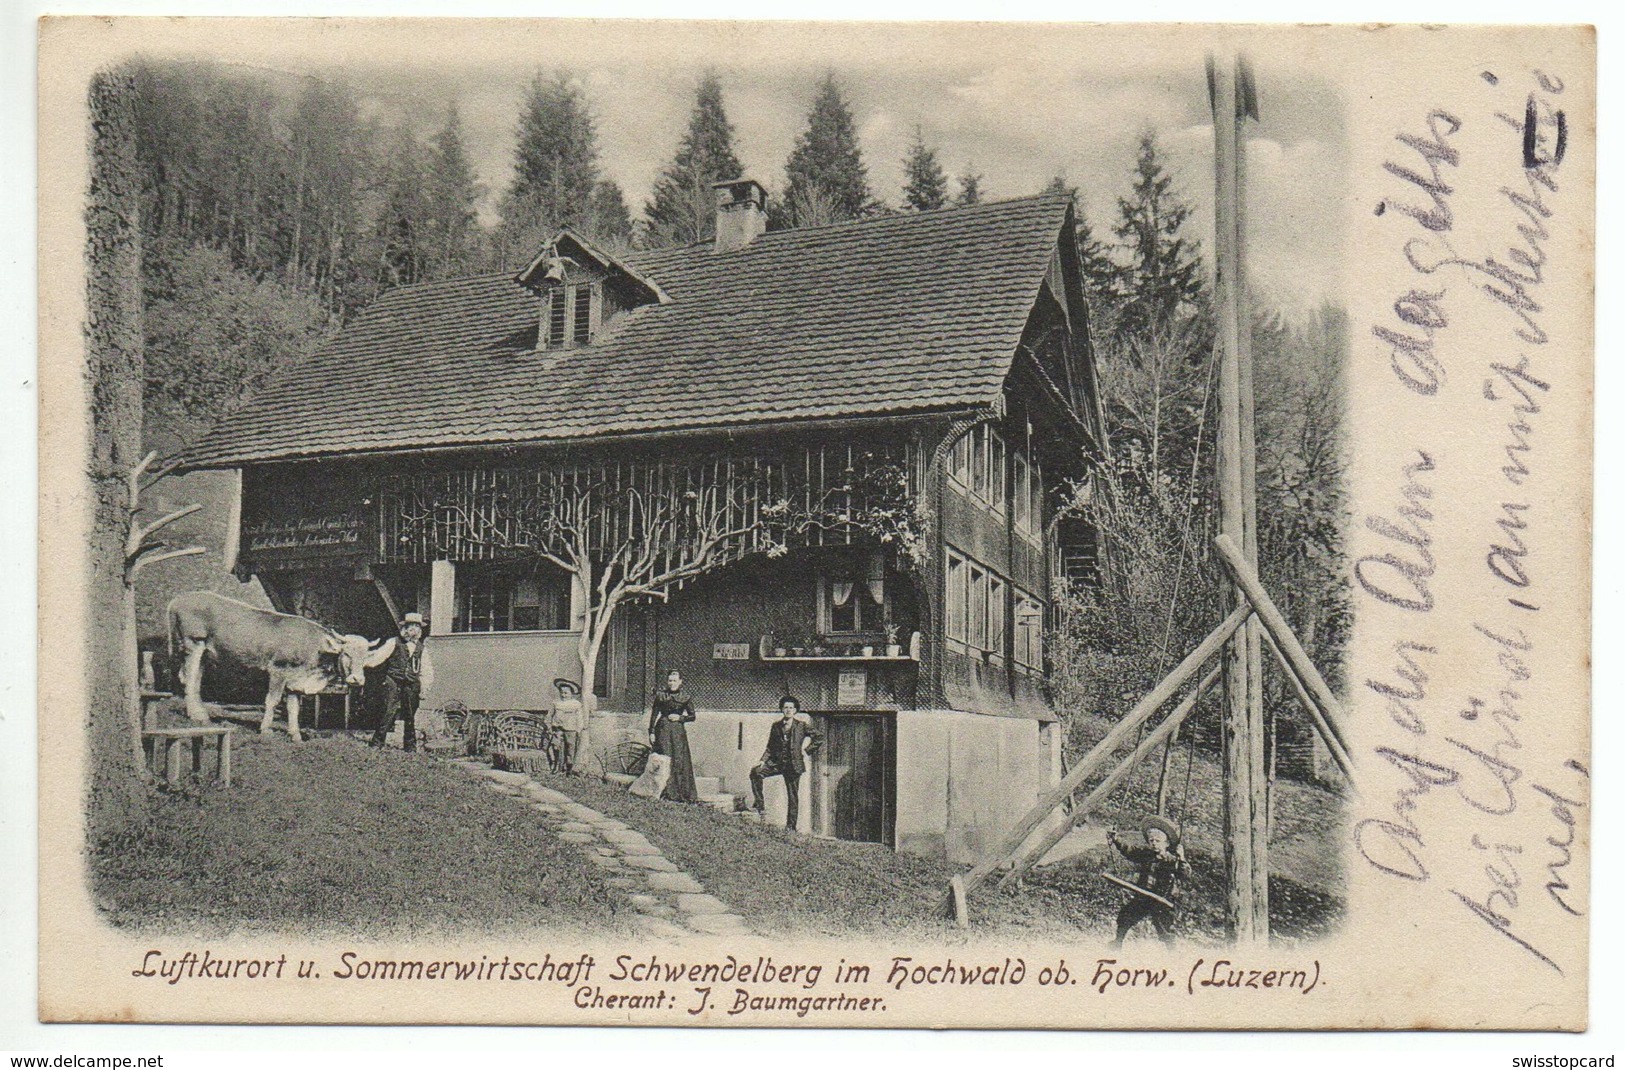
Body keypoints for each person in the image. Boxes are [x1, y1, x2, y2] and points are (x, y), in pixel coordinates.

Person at [1106, 815, 1190, 947]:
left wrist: (1182, 858)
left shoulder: (1172, 860)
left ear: (1166, 843)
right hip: (1144, 896)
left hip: (1162, 900)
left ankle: (1172, 954)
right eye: (1151, 840)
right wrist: (1116, 840)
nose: (1154, 843)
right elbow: (1130, 850)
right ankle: (1117, 943)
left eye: (1158, 841)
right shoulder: (1146, 854)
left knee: (1165, 929)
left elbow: (1185, 873)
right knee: (1125, 916)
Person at [750, 696, 823, 830]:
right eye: (786, 707)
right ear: (782, 709)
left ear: (795, 710)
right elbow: (770, 746)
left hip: (793, 766)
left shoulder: (801, 726)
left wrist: (807, 750)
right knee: (756, 772)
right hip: (777, 763)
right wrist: (762, 760)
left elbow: (819, 737)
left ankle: (791, 827)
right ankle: (760, 805)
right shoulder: (776, 726)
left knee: (793, 797)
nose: (788, 710)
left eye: (791, 708)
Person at [369, 612, 432, 752]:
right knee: (388, 711)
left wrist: (424, 688)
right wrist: (366, 662)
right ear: (405, 628)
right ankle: (377, 743)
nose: (413, 629)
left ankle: (410, 747)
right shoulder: (394, 642)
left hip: (411, 684)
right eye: (411, 626)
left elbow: (426, 671)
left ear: (420, 630)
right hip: (394, 681)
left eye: (416, 626)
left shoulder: (422, 649)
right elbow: (379, 656)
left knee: (410, 715)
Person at [647, 669, 699, 803]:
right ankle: (663, 792)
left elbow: (692, 716)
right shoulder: (661, 696)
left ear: (680, 682)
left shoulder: (686, 697)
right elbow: (654, 714)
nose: (672, 683)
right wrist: (651, 732)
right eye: (670, 680)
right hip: (663, 730)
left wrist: (680, 717)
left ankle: (678, 793)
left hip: (677, 732)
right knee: (664, 757)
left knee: (679, 760)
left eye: (674, 680)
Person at [552, 677, 587, 776]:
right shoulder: (556, 702)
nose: (563, 695)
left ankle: (569, 768)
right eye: (562, 692)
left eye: (566, 693)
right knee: (557, 747)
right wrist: (551, 724)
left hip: (571, 729)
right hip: (558, 728)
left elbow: (579, 718)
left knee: (570, 748)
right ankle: (557, 766)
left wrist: (579, 728)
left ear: (571, 693)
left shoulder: (576, 704)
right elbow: (550, 714)